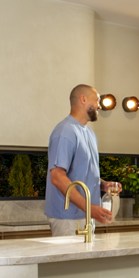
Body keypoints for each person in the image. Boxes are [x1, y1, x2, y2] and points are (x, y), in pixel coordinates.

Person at [45, 84, 122, 236]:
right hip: (67, 218)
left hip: (86, 216)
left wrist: (103, 185)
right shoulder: (65, 131)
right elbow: (57, 177)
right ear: (83, 99)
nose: (99, 106)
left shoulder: (90, 134)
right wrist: (89, 208)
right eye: (97, 100)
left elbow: (83, 173)